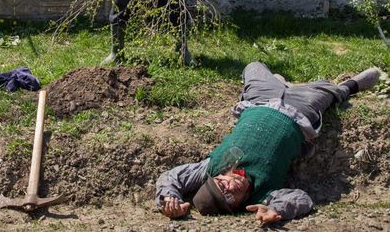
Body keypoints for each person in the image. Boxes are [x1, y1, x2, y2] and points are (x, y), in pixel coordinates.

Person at [156, 62, 382, 224]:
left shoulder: (213, 166)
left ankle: (279, 84)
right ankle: (349, 86)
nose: (227, 185)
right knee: (327, 91)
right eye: (227, 195)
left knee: (253, 66)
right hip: (299, 113)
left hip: (259, 101)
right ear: (236, 206)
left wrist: (170, 199)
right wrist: (277, 210)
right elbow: (301, 199)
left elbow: (171, 177)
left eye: (220, 183)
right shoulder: (263, 194)